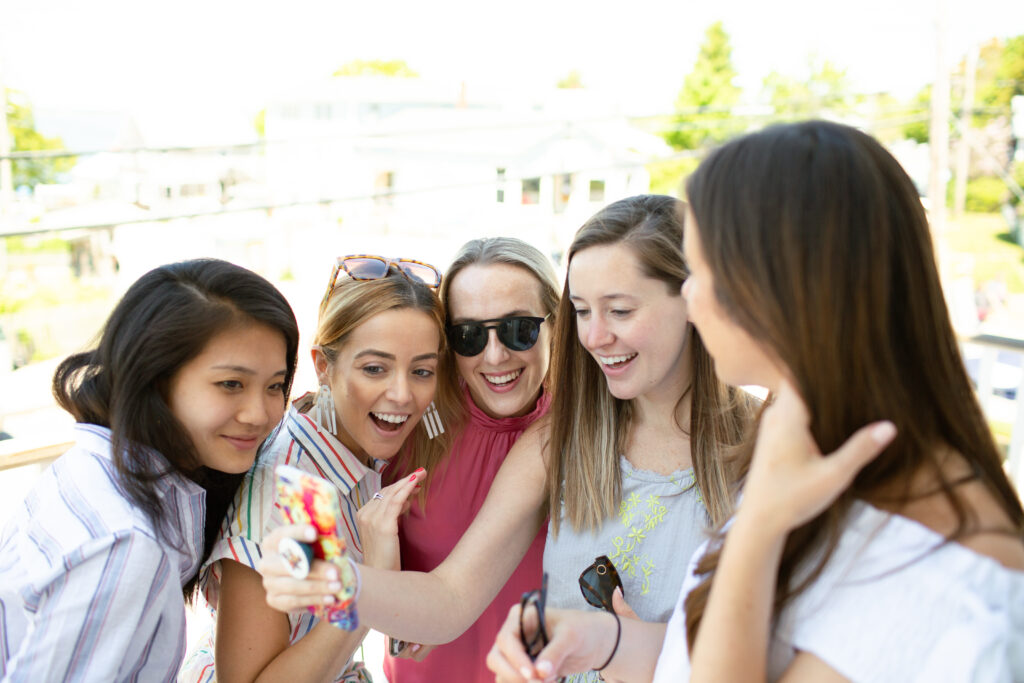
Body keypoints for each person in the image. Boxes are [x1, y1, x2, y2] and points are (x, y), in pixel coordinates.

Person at [487, 121, 1024, 682]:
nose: (689, 298)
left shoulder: (933, 582)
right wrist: (600, 638)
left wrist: (759, 526)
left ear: (785, 287)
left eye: (704, 272)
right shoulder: (797, 445)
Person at [259, 196, 756, 683]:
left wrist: (616, 644)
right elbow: (451, 598)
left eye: (620, 311)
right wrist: (337, 579)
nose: (596, 336)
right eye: (583, 311)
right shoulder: (559, 439)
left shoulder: (767, 442)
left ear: (697, 300)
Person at [0, 259, 300, 681]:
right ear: (155, 379)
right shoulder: (126, 543)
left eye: (274, 386)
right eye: (231, 384)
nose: (260, 414)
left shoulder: (98, 466)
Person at [179, 255, 457, 683]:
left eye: (421, 370)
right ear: (323, 366)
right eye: (374, 368)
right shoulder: (292, 496)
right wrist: (371, 588)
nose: (402, 394)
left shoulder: (345, 440)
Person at [381, 237, 559, 682]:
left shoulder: (588, 431)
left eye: (521, 328)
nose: (495, 356)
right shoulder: (410, 421)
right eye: (469, 335)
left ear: (557, 325)